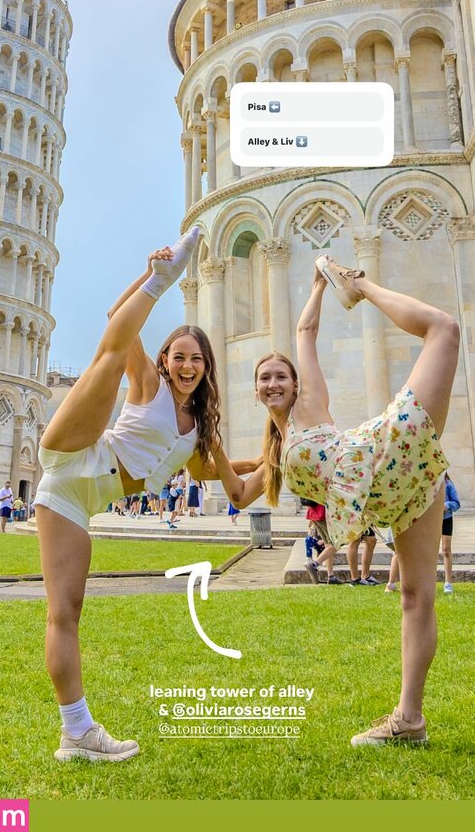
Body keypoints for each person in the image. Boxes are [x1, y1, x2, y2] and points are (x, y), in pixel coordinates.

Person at [210, 254, 459, 748]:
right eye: (265, 378)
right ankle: (410, 721)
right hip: (397, 496)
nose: (273, 383)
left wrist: (322, 285)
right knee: (415, 596)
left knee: (444, 330)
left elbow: (304, 331)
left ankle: (359, 283)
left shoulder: (309, 406)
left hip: (388, 448)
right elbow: (237, 494)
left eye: (281, 376)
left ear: (295, 386)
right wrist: (211, 443)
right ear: (256, 392)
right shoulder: (276, 455)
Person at [34, 230, 221, 762]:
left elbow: (214, 474)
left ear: (206, 368)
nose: (187, 366)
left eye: (196, 359)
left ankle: (77, 734)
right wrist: (150, 276)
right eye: (179, 356)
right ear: (166, 359)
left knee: (66, 613)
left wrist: (273, 457)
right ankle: (165, 281)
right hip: (76, 455)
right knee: (112, 355)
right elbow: (117, 315)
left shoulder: (193, 429)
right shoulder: (150, 384)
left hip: (72, 500)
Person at [441, 471, 460, 594]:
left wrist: (447, 505)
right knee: (429, 551)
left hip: (446, 519)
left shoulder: (448, 484)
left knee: (446, 550)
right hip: (431, 522)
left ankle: (448, 582)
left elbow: (456, 503)